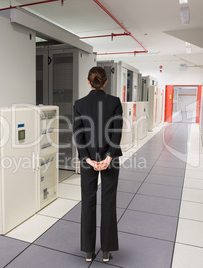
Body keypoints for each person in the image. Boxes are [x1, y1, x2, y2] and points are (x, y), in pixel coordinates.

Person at [73, 66, 123, 262]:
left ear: (88, 81)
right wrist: (109, 157)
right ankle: (106, 251)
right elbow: (116, 132)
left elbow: (79, 134)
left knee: (88, 202)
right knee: (109, 202)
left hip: (88, 160)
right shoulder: (114, 102)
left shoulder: (80, 104)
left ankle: (87, 251)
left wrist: (87, 158)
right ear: (105, 82)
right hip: (110, 159)